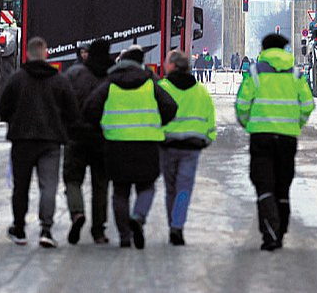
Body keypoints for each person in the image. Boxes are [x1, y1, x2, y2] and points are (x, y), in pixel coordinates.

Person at [84, 45, 177, 250]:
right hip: (147, 144)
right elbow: (171, 106)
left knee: (120, 191)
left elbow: (90, 107)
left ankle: (125, 236)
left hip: (116, 144)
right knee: (147, 186)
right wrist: (156, 123)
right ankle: (138, 216)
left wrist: (102, 127)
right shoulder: (150, 83)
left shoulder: (110, 83)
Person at [235, 33, 314, 251]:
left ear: (265, 49)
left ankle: (271, 232)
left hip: (261, 136)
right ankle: (282, 228)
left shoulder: (255, 73)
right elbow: (307, 104)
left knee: (263, 182)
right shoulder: (296, 74)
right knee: (282, 183)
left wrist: (248, 123)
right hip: (287, 138)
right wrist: (295, 124)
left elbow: (242, 104)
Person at [0, 36, 79, 249]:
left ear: (27, 54)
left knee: (21, 187)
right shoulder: (60, 80)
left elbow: (2, 109)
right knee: (48, 186)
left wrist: (15, 121)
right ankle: (46, 230)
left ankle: (19, 229)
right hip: (51, 142)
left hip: (22, 141)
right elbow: (73, 112)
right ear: (46, 54)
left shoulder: (17, 79)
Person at [159, 50, 216, 246]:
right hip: (191, 147)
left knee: (170, 189)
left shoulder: (162, 87)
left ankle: (172, 223)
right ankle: (177, 225)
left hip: (167, 144)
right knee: (184, 188)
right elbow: (210, 118)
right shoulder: (200, 90)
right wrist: (208, 138)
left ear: (173, 66)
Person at [62, 39, 114, 245]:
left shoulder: (75, 74)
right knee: (100, 184)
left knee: (73, 179)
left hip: (76, 137)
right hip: (103, 137)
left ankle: (77, 212)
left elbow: (62, 100)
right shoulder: (113, 76)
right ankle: (99, 230)